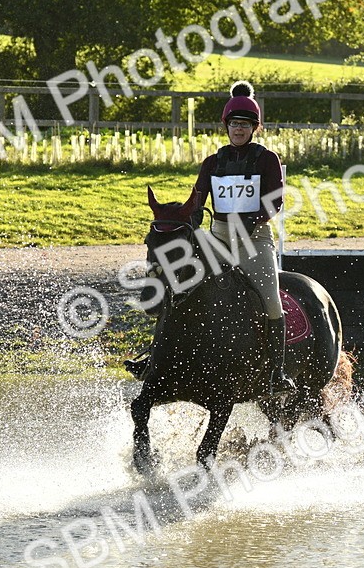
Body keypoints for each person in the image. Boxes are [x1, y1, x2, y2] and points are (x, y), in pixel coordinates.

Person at [127, 80, 296, 397]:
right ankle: (154, 359)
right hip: (217, 237)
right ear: (227, 126)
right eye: (234, 124)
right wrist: (180, 222)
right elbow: (195, 203)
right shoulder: (212, 163)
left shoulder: (267, 159)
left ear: (253, 128)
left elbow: (275, 201)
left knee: (272, 302)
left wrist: (251, 220)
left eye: (244, 125)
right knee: (178, 287)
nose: (239, 130)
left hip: (255, 240)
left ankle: (277, 372)